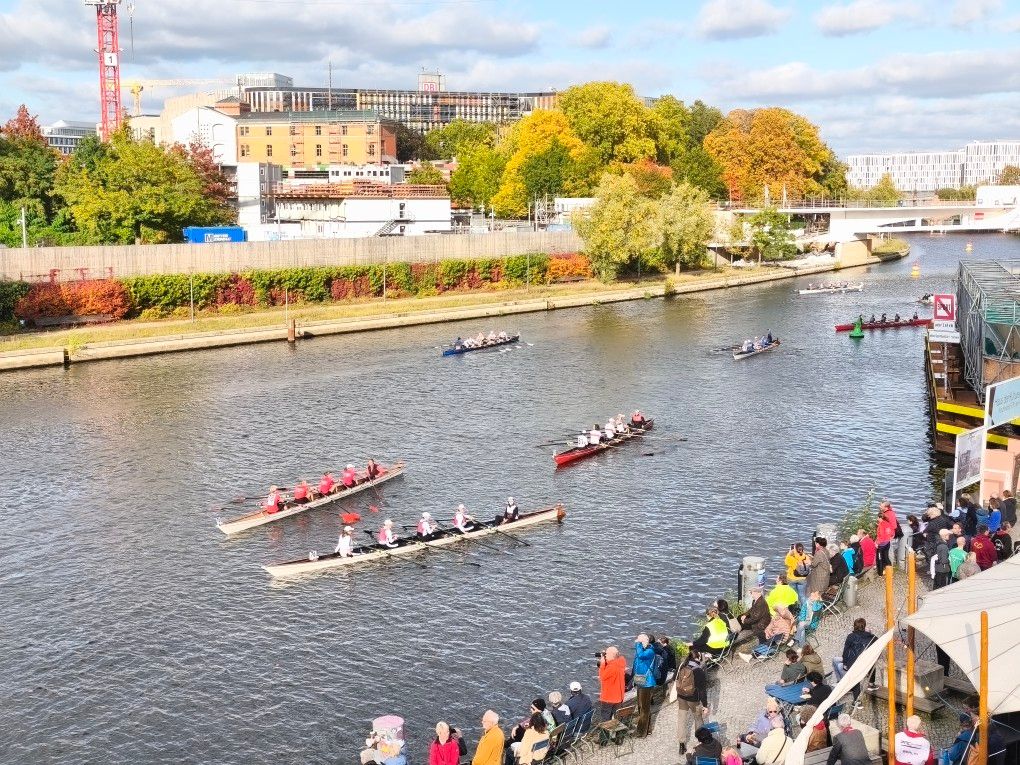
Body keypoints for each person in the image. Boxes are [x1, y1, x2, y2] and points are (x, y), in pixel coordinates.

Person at [833, 618, 878, 702]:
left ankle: (857, 701)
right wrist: (870, 633)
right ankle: (871, 684)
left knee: (855, 678)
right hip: (866, 662)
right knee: (872, 662)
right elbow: (878, 644)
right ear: (864, 626)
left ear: (854, 626)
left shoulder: (850, 636)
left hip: (854, 663)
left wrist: (845, 663)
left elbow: (845, 651)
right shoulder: (871, 637)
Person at [675, 651, 709, 757]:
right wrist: (705, 705)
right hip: (693, 699)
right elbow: (702, 690)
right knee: (698, 719)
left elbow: (675, 680)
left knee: (682, 720)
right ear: (698, 658)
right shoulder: (698, 670)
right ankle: (700, 741)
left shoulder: (682, 666)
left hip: (681, 697)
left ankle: (681, 744)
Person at [632, 633, 657, 737]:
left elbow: (641, 656)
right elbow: (636, 663)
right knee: (641, 707)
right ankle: (648, 728)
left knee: (644, 708)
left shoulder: (650, 651)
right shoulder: (643, 650)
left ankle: (641, 732)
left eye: (639, 642)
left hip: (647, 683)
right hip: (641, 681)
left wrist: (638, 644)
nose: (637, 643)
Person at [596, 646, 626, 721]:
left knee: (606, 717)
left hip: (609, 698)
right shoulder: (621, 661)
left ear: (610, 655)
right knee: (618, 717)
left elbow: (602, 677)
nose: (605, 655)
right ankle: (617, 730)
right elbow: (616, 657)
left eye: (606, 654)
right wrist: (606, 658)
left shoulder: (611, 667)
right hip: (619, 696)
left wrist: (603, 663)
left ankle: (607, 732)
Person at [876, 500, 898, 575]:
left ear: (886, 507)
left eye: (881, 506)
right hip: (888, 538)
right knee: (886, 554)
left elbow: (893, 526)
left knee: (883, 556)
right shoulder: (889, 514)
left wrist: (877, 543)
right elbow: (892, 527)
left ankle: (882, 571)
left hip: (885, 540)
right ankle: (889, 568)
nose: (879, 507)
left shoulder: (889, 515)